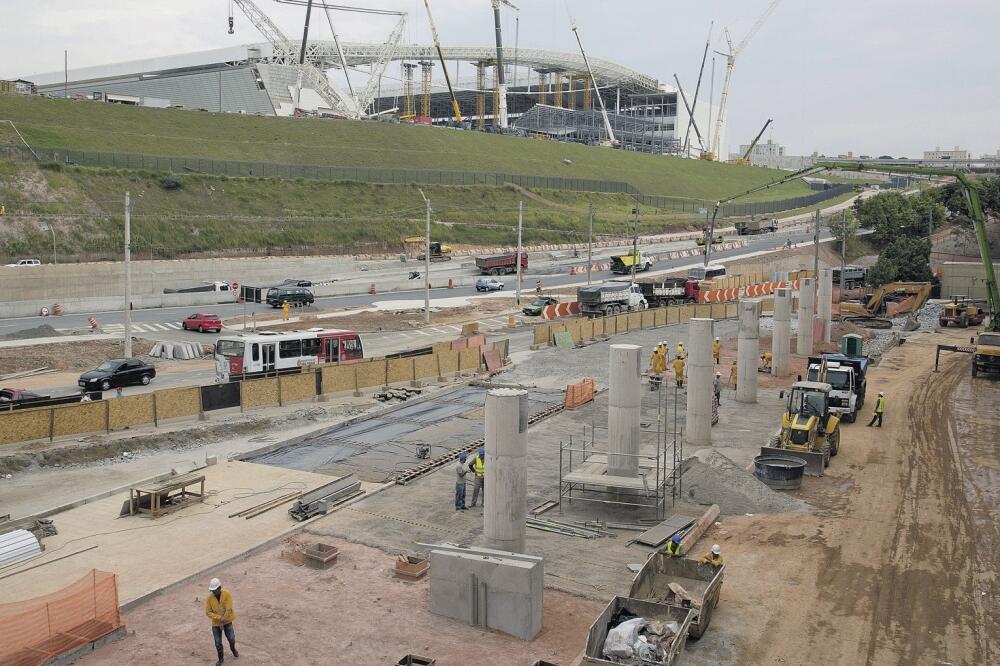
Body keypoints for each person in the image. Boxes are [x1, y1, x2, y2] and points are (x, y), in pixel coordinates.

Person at [205, 578, 238, 665]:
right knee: (218, 643)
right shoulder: (209, 599)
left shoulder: (227, 594)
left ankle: (233, 649)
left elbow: (229, 609)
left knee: (231, 639)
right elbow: (208, 612)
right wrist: (219, 619)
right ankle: (221, 659)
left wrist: (223, 622)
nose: (213, 592)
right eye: (212, 591)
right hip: (216, 623)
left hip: (227, 621)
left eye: (215, 590)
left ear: (219, 588)